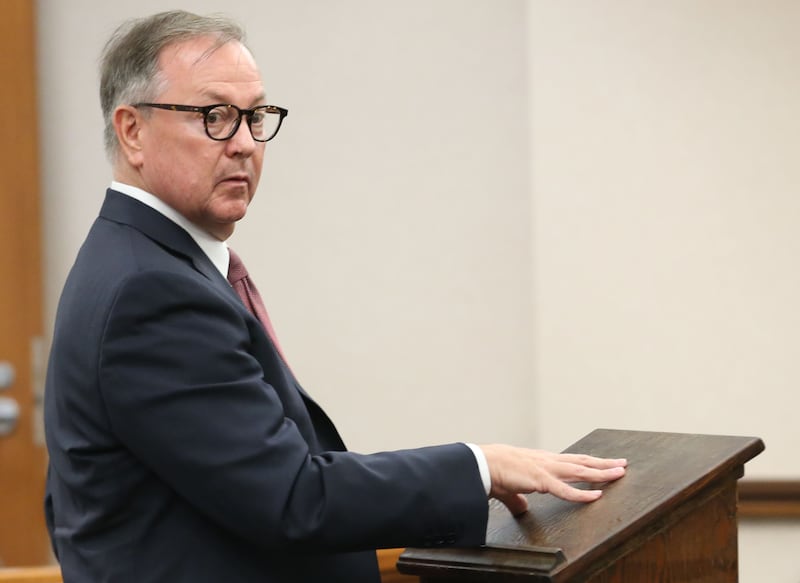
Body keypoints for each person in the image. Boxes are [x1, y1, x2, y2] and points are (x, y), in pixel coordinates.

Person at [43, 10, 627, 583]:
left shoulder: (137, 262)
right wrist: (479, 467)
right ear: (132, 131)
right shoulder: (151, 290)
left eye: (256, 116)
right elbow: (290, 497)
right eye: (215, 116)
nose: (244, 143)